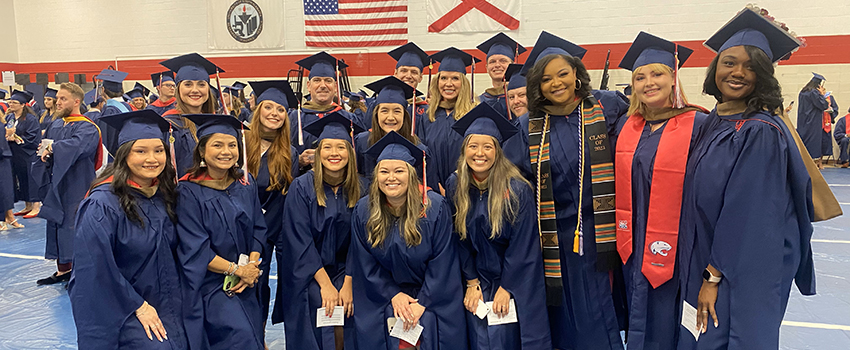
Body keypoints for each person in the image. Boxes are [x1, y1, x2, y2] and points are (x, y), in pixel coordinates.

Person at [677, 8, 815, 350]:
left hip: (740, 267)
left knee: (728, 338)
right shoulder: (717, 120)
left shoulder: (759, 131)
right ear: (715, 69)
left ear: (764, 76)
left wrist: (713, 276)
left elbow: (747, 214)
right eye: (729, 62)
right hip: (714, 256)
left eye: (751, 66)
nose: (738, 72)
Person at [522, 31, 625, 350]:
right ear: (537, 86)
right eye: (546, 79)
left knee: (597, 315)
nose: (556, 83)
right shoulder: (529, 125)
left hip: (602, 234)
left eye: (563, 74)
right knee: (561, 318)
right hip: (553, 239)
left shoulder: (607, 106)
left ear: (577, 74)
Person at [613, 32, 710, 350]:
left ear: (674, 77)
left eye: (657, 73)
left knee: (671, 323)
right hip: (632, 243)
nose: (648, 83)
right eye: (640, 77)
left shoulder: (699, 124)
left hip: (678, 245)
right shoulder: (627, 126)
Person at [68, 110, 189, 349]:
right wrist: (138, 306)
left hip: (168, 299)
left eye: (158, 150)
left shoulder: (165, 196)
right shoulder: (102, 204)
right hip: (120, 304)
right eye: (140, 151)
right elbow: (95, 269)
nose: (152, 159)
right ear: (124, 155)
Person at [446, 102, 551, 350]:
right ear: (464, 150)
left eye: (487, 147)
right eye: (473, 146)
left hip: (513, 277)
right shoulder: (456, 185)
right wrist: (471, 283)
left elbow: (523, 246)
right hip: (475, 276)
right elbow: (457, 239)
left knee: (506, 335)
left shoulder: (516, 189)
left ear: (498, 151)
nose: (479, 153)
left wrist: (507, 287)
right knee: (478, 335)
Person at [349, 131, 467, 350]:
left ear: (412, 175)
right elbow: (365, 263)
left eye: (399, 171)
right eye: (384, 171)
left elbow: (443, 262)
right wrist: (393, 294)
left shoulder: (434, 208)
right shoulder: (365, 210)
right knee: (384, 323)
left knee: (430, 323)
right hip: (385, 294)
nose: (391, 177)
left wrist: (423, 301)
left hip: (432, 295)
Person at [274, 111, 367, 350]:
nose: (334, 154)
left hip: (350, 269)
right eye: (327, 147)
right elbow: (299, 240)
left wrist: (348, 283)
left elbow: (362, 242)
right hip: (309, 271)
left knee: (351, 306)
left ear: (351, 152)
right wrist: (326, 284)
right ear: (318, 152)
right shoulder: (301, 187)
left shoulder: (363, 188)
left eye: (341, 147)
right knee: (321, 302)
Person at [176, 113, 268, 350]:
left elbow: (259, 228)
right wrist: (237, 270)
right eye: (217, 145)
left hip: (247, 280)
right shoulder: (188, 191)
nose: (226, 151)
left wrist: (251, 268)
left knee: (254, 334)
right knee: (240, 337)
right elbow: (195, 248)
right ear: (202, 151)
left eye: (232, 145)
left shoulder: (245, 184)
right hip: (210, 284)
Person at [244, 80, 301, 322]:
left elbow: (282, 201)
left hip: (264, 235)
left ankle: (259, 336)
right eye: (269, 107)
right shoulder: (239, 143)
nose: (274, 114)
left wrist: (263, 236)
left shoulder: (289, 154)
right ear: (258, 109)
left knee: (258, 287)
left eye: (280, 110)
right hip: (232, 230)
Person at [36, 83, 104, 285]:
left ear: (76, 101)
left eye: (63, 99)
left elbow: (78, 147)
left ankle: (79, 272)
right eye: (57, 98)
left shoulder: (88, 127)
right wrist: (44, 153)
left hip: (77, 184)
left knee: (74, 225)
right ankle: (62, 270)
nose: (58, 102)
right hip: (56, 183)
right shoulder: (56, 124)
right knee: (56, 222)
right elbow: (48, 148)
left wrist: (54, 148)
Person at [354, 76, 438, 190]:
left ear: (405, 115)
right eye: (384, 110)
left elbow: (428, 191)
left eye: (397, 111)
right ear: (376, 114)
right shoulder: (361, 142)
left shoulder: (419, 149)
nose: (390, 117)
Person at [417, 47, 478, 192]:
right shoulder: (427, 116)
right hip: (433, 190)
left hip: (467, 188)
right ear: (437, 82)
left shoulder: (473, 114)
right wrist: (434, 186)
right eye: (443, 78)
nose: (448, 84)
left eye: (455, 78)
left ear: (463, 83)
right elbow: (422, 155)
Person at [159, 53, 224, 176]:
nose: (195, 90)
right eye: (188, 84)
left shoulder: (215, 121)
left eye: (201, 84)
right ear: (178, 89)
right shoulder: (170, 125)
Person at [291, 52, 352, 171]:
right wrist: (297, 160)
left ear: (335, 87)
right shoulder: (293, 118)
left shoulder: (349, 119)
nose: (323, 85)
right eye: (317, 80)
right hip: (302, 183)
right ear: (308, 86)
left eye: (328, 81)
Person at [5, 90, 42, 218]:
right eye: (10, 102)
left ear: (22, 105)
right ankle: (27, 205)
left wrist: (16, 138)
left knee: (31, 179)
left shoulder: (30, 119)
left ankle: (36, 206)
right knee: (21, 179)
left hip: (28, 153)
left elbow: (33, 137)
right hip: (15, 154)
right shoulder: (9, 117)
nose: (11, 105)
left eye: (14, 102)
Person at [477, 33, 526, 118]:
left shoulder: (523, 99)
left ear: (512, 64)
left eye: (503, 61)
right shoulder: (479, 101)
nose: (497, 65)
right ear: (486, 68)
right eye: (492, 62)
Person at [387, 42, 431, 133]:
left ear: (420, 77)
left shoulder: (427, 110)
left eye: (414, 72)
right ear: (395, 74)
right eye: (404, 71)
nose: (408, 76)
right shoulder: (381, 104)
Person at [796, 72, 834, 169]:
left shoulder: (803, 92)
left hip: (803, 120)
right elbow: (823, 105)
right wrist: (822, 95)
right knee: (812, 142)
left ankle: (802, 162)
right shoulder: (814, 92)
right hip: (813, 121)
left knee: (804, 140)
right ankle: (811, 164)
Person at [95, 69, 133, 155]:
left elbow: (107, 142)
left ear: (103, 90)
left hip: (115, 158)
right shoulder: (127, 106)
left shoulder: (110, 111)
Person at [1, 111, 24, 230]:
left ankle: (9, 216)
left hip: (3, 159)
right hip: (2, 156)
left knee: (6, 189)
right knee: (4, 189)